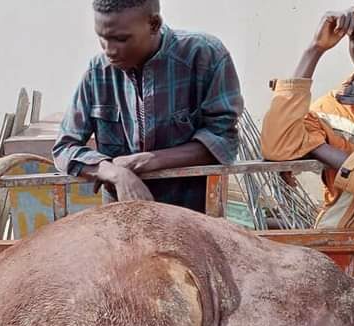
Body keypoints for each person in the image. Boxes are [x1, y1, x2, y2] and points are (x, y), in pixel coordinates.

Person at [52, 0, 243, 212]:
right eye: (102, 37)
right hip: (122, 220)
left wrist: (147, 161)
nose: (109, 50)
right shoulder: (97, 72)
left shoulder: (206, 56)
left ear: (154, 24)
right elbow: (64, 148)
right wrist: (113, 172)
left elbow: (223, 141)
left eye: (121, 39)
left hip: (193, 218)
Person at [261, 0, 354, 257]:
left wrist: (322, 149)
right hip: (345, 255)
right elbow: (278, 146)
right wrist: (314, 50)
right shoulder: (337, 105)